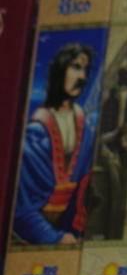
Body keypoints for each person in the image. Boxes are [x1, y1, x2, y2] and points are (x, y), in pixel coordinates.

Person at [13, 41, 97, 244]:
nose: (82, 77)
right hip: (30, 235)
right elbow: (22, 207)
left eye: (85, 70)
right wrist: (55, 238)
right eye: (76, 67)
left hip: (68, 232)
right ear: (60, 71)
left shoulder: (85, 128)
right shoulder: (36, 133)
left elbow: (82, 192)